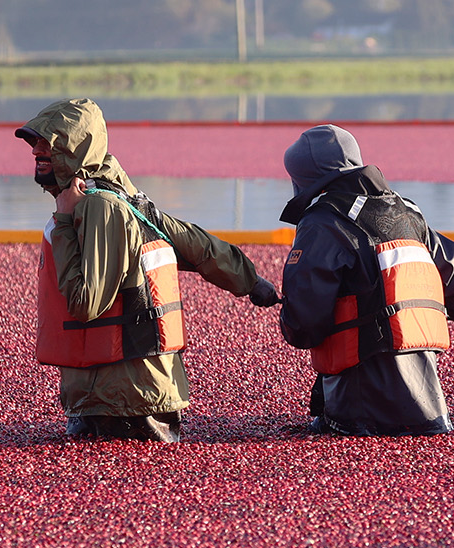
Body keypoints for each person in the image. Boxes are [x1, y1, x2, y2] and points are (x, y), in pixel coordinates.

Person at [17, 98, 280, 442]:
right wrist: (251, 282)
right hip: (127, 393)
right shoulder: (123, 197)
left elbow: (86, 303)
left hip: (122, 400)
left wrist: (64, 222)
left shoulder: (101, 208)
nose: (36, 150)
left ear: (75, 150)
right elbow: (196, 244)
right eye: (34, 141)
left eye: (47, 142)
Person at [277, 125, 454, 436]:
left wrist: (288, 317)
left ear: (304, 178)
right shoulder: (408, 211)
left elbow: (303, 325)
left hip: (358, 413)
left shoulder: (323, 221)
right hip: (431, 411)